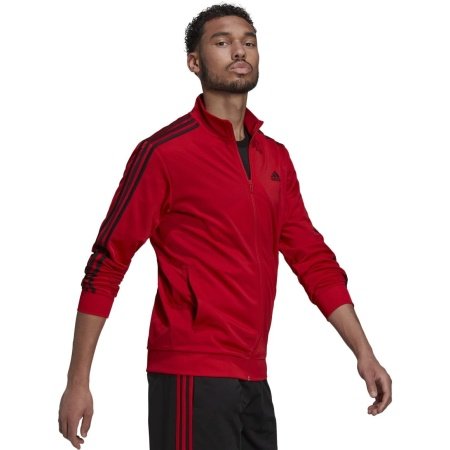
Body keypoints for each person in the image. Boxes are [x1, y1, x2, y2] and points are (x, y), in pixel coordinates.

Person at [58, 4, 392, 449]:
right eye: (222, 42)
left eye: (248, 41)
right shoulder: (163, 153)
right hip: (190, 374)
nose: (239, 50)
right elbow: (107, 261)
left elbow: (313, 260)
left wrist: (364, 353)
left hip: (254, 375)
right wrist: (78, 381)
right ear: (194, 62)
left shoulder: (275, 158)